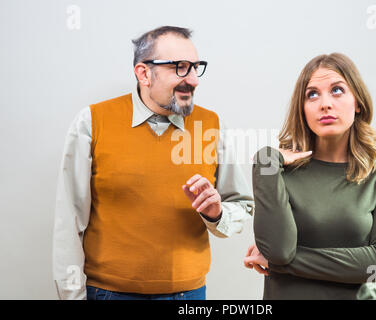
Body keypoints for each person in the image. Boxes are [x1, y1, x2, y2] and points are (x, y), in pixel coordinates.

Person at [53, 26, 254, 300]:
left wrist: (216, 214)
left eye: (196, 68)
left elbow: (241, 206)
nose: (193, 80)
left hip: (188, 295)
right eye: (180, 68)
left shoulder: (212, 126)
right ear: (144, 73)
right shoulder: (92, 122)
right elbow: (70, 220)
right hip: (108, 294)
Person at [244, 53, 376, 300]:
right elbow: (279, 251)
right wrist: (266, 159)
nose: (325, 104)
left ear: (357, 102)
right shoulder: (277, 172)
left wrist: (283, 264)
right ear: (303, 108)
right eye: (312, 94)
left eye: (337, 90)